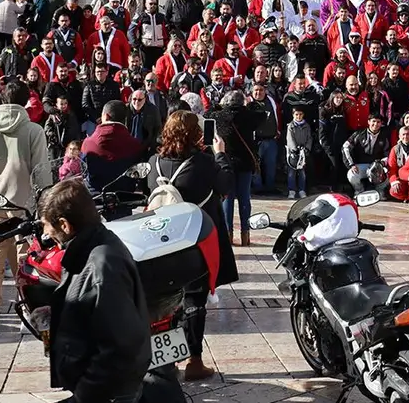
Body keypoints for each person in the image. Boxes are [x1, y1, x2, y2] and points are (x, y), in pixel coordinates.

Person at [147, 111, 239, 381]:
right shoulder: (204, 162)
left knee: (166, 300)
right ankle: (194, 360)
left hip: (162, 243)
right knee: (194, 301)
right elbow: (226, 184)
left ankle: (168, 361)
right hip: (195, 242)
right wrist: (221, 154)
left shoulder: (154, 162)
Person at [41, 179, 150, 403]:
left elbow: (121, 345)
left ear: (64, 225)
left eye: (46, 225)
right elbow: (90, 306)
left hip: (107, 394)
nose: (45, 233)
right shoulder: (88, 247)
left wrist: (85, 393)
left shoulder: (102, 264)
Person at [0, 81, 52, 333]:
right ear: (26, 100)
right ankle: (26, 310)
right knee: (26, 258)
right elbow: (42, 172)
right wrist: (43, 201)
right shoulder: (34, 130)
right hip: (26, 204)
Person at [209, 91, 258, 245]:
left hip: (226, 161)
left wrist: (218, 106)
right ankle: (245, 235)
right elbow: (261, 115)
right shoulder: (249, 115)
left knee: (227, 198)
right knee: (244, 198)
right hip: (245, 162)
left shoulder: (219, 116)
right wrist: (250, 104)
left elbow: (207, 114)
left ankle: (228, 234)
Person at [81, 100, 145, 218]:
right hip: (124, 201)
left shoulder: (88, 143)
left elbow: (84, 172)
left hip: (96, 203)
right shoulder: (134, 144)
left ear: (106, 116)